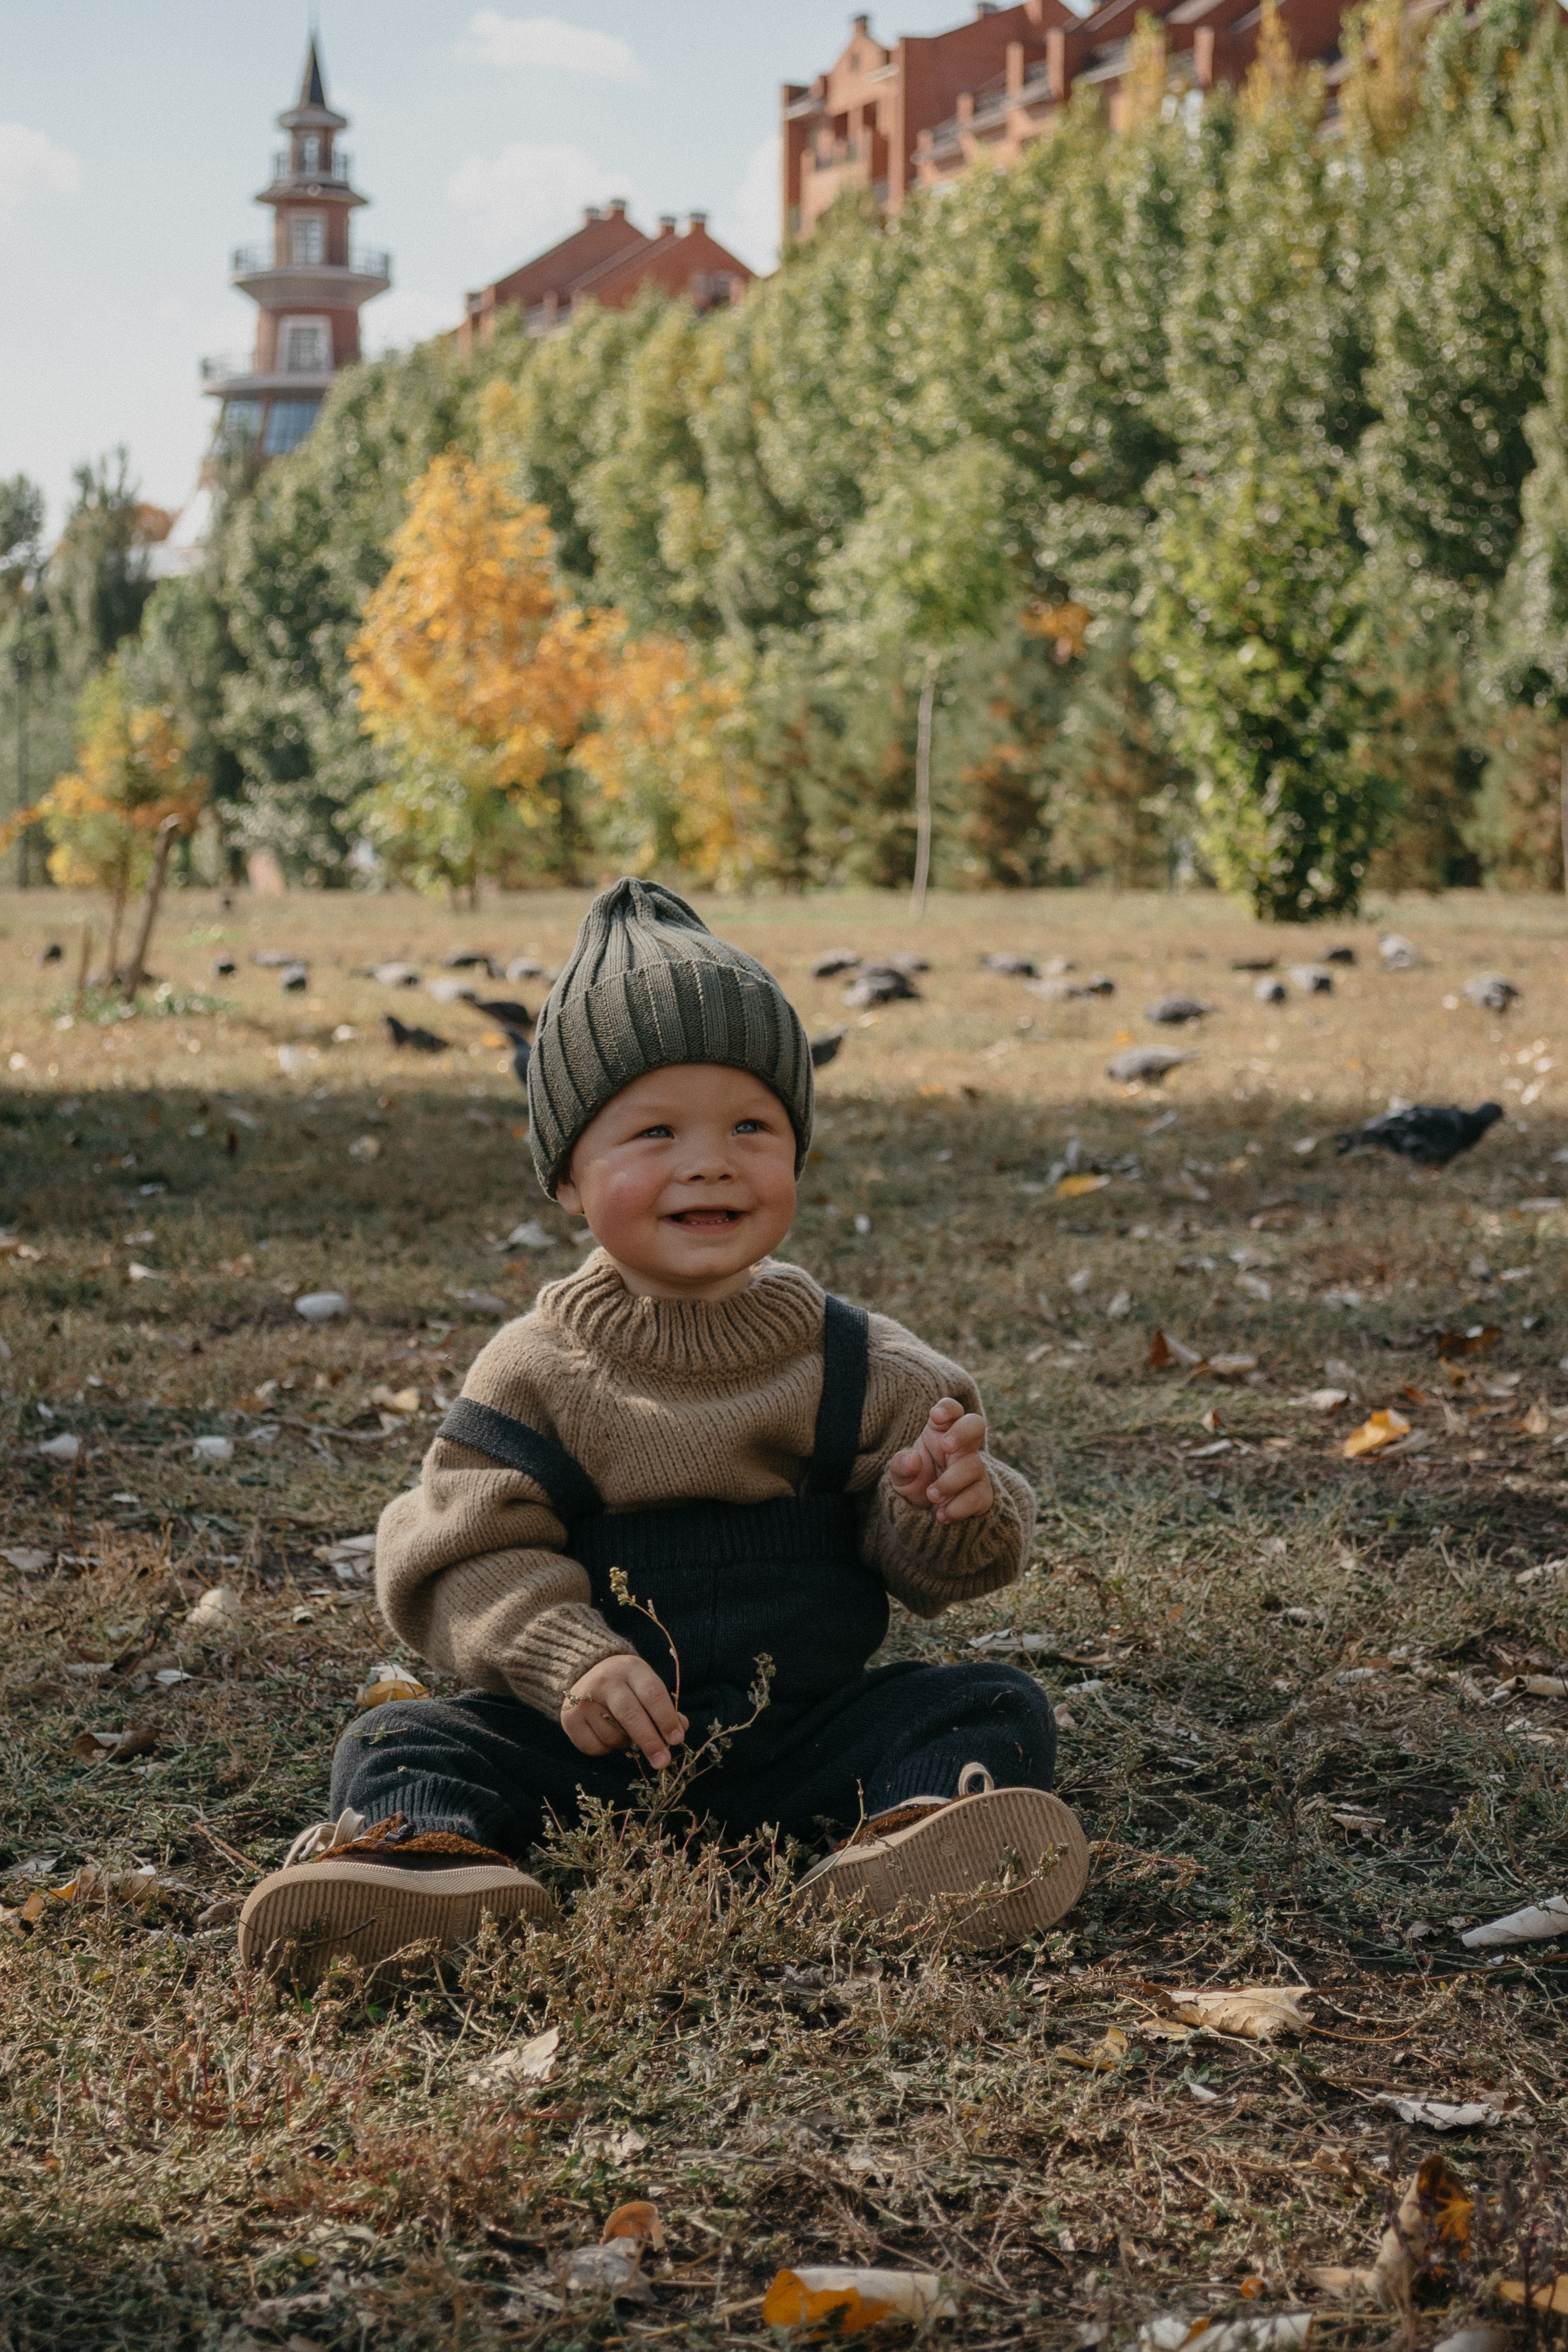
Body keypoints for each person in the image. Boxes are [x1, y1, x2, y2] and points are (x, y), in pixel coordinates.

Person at [239, 881, 1088, 1982]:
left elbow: (941, 1572)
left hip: (803, 1735)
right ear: (566, 1174)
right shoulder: (539, 1371)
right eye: (654, 1131)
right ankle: (422, 1867)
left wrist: (939, 1505)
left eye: (752, 1126)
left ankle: (913, 1846)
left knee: (991, 1701)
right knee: (403, 1740)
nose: (710, 1160)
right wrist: (565, 1658)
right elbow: (457, 1552)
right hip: (584, 1746)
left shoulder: (861, 1362)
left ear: (797, 1149)